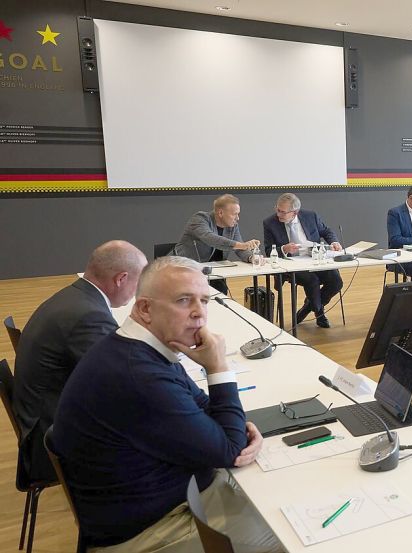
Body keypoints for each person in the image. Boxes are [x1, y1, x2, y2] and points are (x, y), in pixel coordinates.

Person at [51, 256, 281, 552]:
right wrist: (219, 368)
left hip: (161, 498)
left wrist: (236, 429)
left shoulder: (142, 348)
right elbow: (230, 451)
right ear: (145, 309)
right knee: (291, 539)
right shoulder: (139, 375)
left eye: (205, 300)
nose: (200, 314)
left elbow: (205, 411)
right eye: (184, 301)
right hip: (149, 530)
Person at [13, 240, 147, 483]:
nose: (139, 292)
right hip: (49, 439)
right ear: (121, 279)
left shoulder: (76, 297)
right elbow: (123, 381)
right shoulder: (88, 316)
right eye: (139, 283)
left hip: (41, 418)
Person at [262, 193, 344, 328]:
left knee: (336, 281)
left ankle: (307, 308)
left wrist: (334, 242)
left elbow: (326, 231)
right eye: (277, 209)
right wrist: (284, 248)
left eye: (283, 212)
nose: (278, 214)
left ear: (295, 212)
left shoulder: (310, 216)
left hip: (314, 258)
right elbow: (268, 250)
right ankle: (319, 313)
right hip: (292, 264)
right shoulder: (270, 223)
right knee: (312, 280)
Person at [171, 194, 260, 294]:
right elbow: (211, 238)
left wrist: (252, 258)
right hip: (185, 270)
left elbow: (239, 248)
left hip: (214, 272)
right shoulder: (200, 219)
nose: (237, 218)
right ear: (221, 213)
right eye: (234, 214)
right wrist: (242, 245)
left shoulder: (232, 226)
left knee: (221, 293)